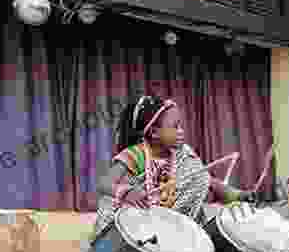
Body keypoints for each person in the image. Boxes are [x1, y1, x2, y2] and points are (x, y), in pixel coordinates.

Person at [95, 95, 255, 234]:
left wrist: (237, 195)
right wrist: (127, 193)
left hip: (171, 222)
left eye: (181, 126)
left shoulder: (182, 155)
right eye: (175, 127)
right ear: (154, 133)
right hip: (139, 223)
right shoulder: (136, 155)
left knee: (197, 177)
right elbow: (104, 184)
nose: (181, 131)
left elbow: (206, 180)